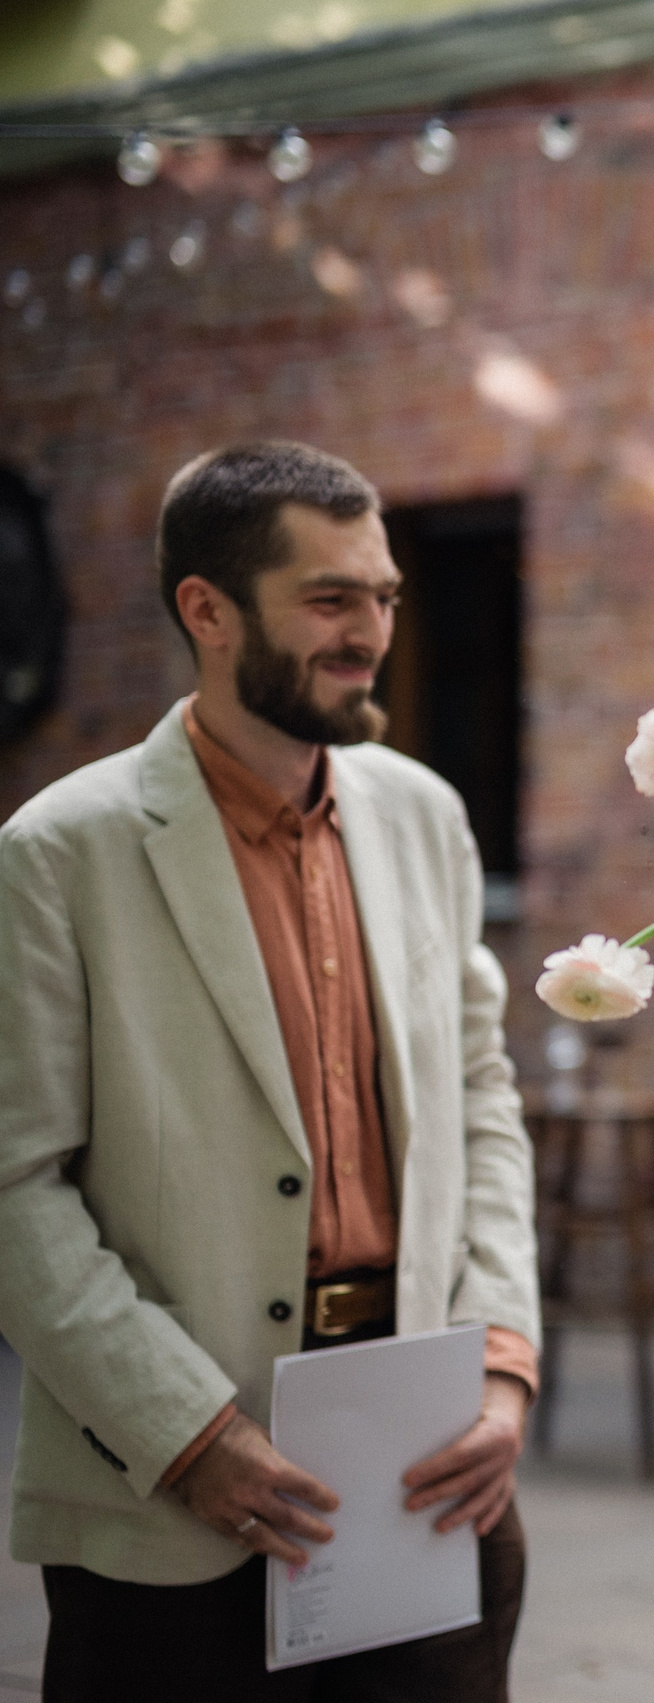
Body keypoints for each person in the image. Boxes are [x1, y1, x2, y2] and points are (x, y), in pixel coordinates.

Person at [0, 442, 543, 1698]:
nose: (371, 633)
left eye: (387, 596)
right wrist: (188, 1433)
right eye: (330, 598)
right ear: (208, 608)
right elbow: (17, 1186)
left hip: (429, 1465)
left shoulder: (424, 813)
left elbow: (481, 1100)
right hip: (171, 1498)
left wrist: (505, 1360)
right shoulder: (55, 854)